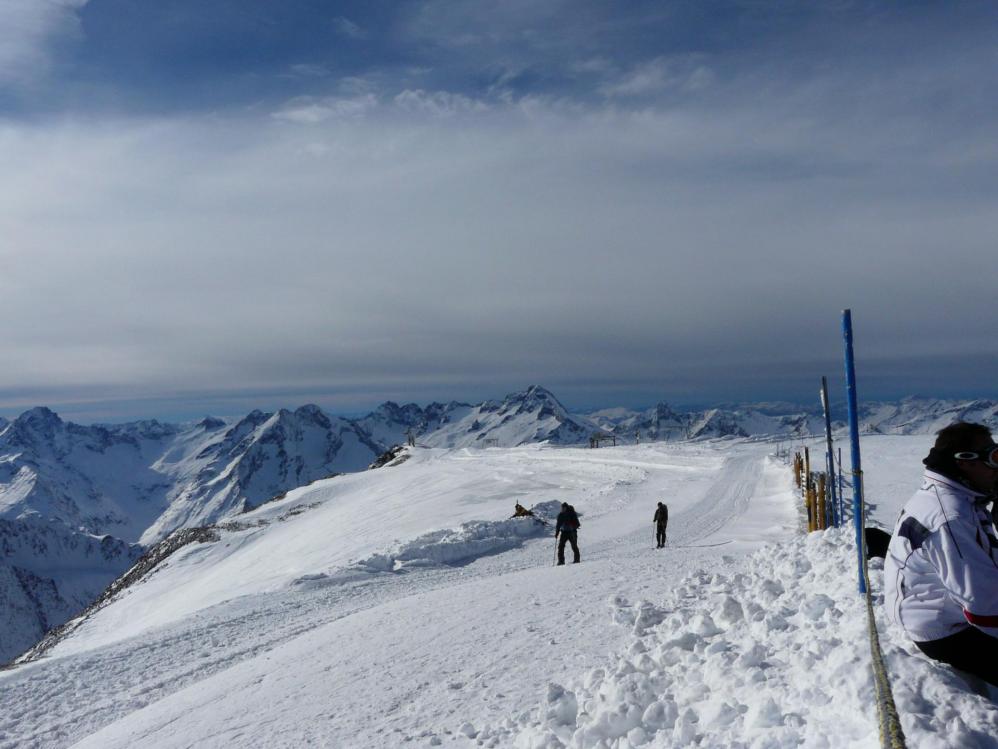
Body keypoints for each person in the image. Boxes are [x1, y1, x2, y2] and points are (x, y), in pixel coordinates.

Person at [883, 422, 998, 686]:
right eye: (993, 457)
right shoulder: (951, 516)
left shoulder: (953, 496)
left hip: (935, 612)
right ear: (964, 462)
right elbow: (983, 605)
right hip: (945, 632)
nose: (997, 468)